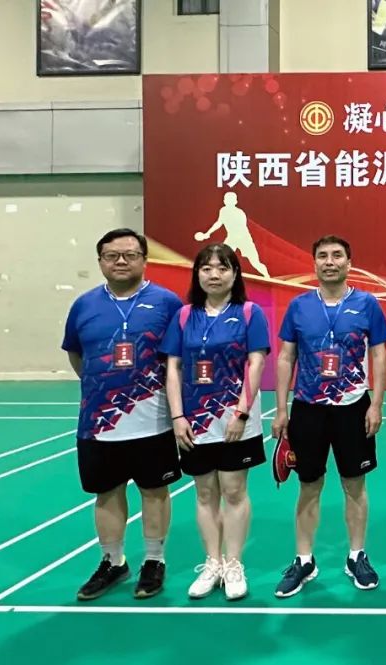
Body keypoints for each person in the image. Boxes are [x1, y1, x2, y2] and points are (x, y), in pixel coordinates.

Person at [61, 228, 183, 601]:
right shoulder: (83, 305)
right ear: (100, 261)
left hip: (154, 420)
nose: (121, 261)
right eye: (112, 255)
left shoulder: (168, 303)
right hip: (99, 423)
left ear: (144, 260)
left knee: (154, 491)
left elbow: (179, 359)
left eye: (130, 254)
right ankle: (113, 562)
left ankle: (154, 560)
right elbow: (77, 355)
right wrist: (105, 392)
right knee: (106, 492)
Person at [270, 235, 386, 597]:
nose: (330, 261)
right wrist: (282, 409)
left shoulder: (367, 303)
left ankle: (356, 556)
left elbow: (379, 354)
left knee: (355, 484)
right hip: (309, 408)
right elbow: (286, 357)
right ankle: (304, 559)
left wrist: (376, 404)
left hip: (353, 407)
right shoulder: (299, 306)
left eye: (338, 255)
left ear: (349, 263)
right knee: (309, 485)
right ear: (315, 264)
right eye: (322, 255)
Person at [161, 244, 270, 601]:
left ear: (235, 274)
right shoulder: (184, 316)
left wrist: (241, 412)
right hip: (194, 420)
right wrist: (177, 416)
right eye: (206, 268)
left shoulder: (250, 313)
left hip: (236, 419)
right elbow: (173, 368)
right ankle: (212, 563)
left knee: (234, 491)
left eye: (222, 268)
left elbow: (256, 364)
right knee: (205, 492)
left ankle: (234, 564)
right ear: (197, 275)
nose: (214, 275)